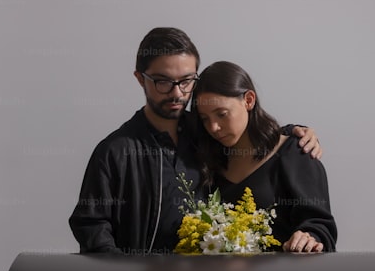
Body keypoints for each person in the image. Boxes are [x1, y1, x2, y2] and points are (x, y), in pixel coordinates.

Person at [69, 27, 322, 254]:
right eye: (163, 82)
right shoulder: (115, 152)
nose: (178, 93)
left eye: (187, 81)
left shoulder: (208, 134)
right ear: (139, 79)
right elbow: (91, 228)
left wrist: (291, 133)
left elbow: (250, 133)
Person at [194, 60, 336, 253]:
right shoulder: (209, 162)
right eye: (205, 119)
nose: (213, 127)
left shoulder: (294, 152)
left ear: (249, 100)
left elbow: (320, 224)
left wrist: (309, 236)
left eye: (222, 114)